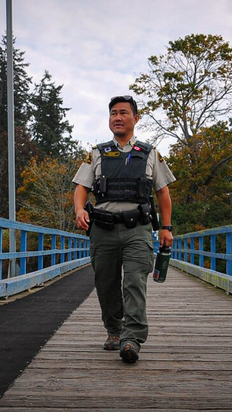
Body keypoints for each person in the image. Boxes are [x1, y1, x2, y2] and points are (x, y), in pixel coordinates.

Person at [73, 95, 175, 363]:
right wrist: (80, 209)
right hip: (103, 229)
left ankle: (132, 338)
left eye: (123, 113)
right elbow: (81, 188)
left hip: (138, 230)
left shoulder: (150, 153)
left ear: (136, 118)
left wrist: (166, 228)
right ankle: (114, 330)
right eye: (113, 113)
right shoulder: (96, 153)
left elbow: (163, 193)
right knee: (105, 283)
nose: (118, 117)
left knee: (134, 282)